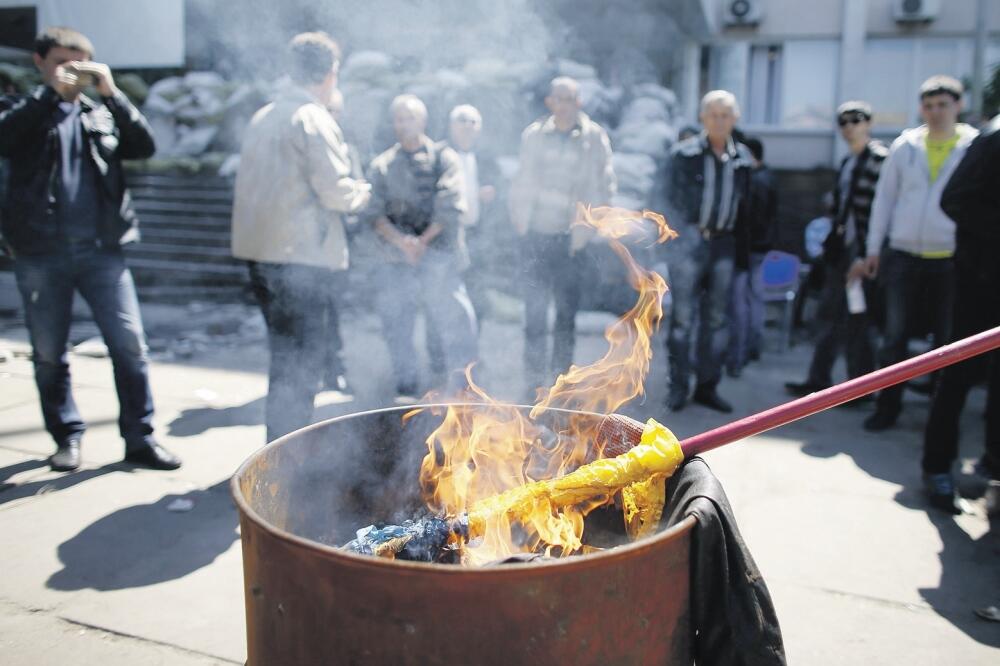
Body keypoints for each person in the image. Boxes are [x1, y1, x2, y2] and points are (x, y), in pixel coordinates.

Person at [0, 27, 180, 471]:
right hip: (40, 251)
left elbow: (145, 145)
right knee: (48, 352)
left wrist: (112, 93)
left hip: (102, 251)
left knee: (130, 347)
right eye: (63, 61)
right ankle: (67, 437)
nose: (71, 72)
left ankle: (140, 438)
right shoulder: (22, 109)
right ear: (41, 62)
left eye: (80, 63)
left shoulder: (100, 113)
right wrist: (50, 97)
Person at [231, 32, 371, 442]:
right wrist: (366, 192)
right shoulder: (312, 118)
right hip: (302, 260)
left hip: (262, 255)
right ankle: (288, 458)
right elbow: (338, 192)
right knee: (303, 365)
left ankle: (276, 447)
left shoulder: (264, 115)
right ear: (330, 73)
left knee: (285, 359)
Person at [862, 76, 979, 431]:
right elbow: (885, 200)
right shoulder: (906, 146)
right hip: (903, 253)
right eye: (928, 105)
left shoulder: (975, 146)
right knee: (895, 336)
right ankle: (888, 405)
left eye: (943, 104)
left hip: (952, 257)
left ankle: (939, 416)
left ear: (957, 106)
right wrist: (873, 248)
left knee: (948, 341)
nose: (935, 112)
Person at [366, 94, 477, 399]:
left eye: (409, 118)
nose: (403, 125)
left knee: (453, 324)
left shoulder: (445, 158)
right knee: (397, 326)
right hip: (397, 259)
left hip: (440, 257)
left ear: (423, 121)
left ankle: (457, 391)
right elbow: (373, 211)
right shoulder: (383, 165)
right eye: (398, 119)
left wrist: (422, 241)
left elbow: (451, 203)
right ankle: (407, 393)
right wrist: (402, 242)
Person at [509, 77, 616, 393]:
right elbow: (520, 179)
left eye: (571, 98)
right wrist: (518, 218)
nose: (565, 104)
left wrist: (593, 223)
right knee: (534, 315)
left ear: (579, 102)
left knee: (566, 316)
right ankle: (532, 385)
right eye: (559, 98)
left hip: (572, 241)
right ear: (550, 102)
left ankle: (559, 385)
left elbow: (606, 182)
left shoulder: (594, 137)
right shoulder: (533, 135)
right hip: (535, 236)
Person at [920, 113, 1000, 514]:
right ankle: (937, 469)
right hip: (979, 285)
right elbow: (954, 198)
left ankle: (994, 469)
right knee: (955, 376)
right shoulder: (994, 138)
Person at [786, 102, 886, 398]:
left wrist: (867, 253)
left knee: (860, 320)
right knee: (829, 316)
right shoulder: (847, 162)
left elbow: (880, 214)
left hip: (865, 253)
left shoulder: (880, 159)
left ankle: (862, 388)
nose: (849, 126)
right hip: (842, 251)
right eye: (843, 121)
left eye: (856, 120)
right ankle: (819, 380)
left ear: (868, 123)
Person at [663, 90, 753, 413]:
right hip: (688, 243)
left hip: (724, 245)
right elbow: (664, 199)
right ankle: (678, 386)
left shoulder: (742, 159)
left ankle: (707, 386)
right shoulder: (683, 154)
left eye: (726, 114)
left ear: (736, 118)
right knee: (683, 319)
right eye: (713, 114)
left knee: (716, 320)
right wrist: (673, 240)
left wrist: (744, 253)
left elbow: (746, 209)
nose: (719, 120)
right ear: (702, 117)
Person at [425, 104, 499, 378]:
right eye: (461, 121)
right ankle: (437, 361)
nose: (467, 126)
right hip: (444, 240)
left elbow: (499, 191)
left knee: (477, 301)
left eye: (473, 122)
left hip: (477, 237)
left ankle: (469, 362)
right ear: (450, 125)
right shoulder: (437, 155)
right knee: (439, 299)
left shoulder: (486, 158)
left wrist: (492, 193)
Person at [727, 136, 777, 377]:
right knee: (755, 299)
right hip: (762, 247)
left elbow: (749, 221)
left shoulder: (755, 182)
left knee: (740, 304)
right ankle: (753, 347)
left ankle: (740, 353)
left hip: (748, 250)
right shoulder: (769, 177)